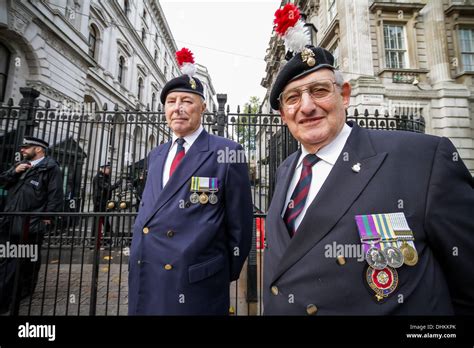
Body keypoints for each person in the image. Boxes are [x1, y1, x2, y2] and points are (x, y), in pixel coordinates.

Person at [262, 42, 474, 313]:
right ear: (283, 114)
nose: (307, 107)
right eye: (292, 98)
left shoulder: (423, 159)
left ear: (345, 95)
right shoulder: (285, 170)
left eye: (320, 91)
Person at [128, 48, 253, 315]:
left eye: (187, 100)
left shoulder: (227, 151)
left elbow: (240, 227)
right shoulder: (157, 154)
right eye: (171, 101)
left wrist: (218, 271)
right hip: (147, 272)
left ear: (203, 107)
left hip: (195, 281)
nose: (178, 108)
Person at [0, 136, 64, 314]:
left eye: (26, 147)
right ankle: (13, 295)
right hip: (9, 219)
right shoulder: (19, 166)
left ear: (39, 149)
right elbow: (3, 182)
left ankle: (17, 295)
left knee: (24, 260)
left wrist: (47, 217)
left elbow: (55, 195)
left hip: (31, 222)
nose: (22, 149)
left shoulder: (50, 168)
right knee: (10, 260)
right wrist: (14, 172)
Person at [92, 163, 121, 248]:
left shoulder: (105, 177)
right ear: (103, 168)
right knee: (99, 222)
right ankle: (96, 241)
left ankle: (107, 240)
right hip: (99, 203)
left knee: (105, 221)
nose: (109, 170)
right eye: (108, 168)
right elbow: (107, 188)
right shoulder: (99, 177)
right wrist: (117, 184)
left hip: (104, 203)